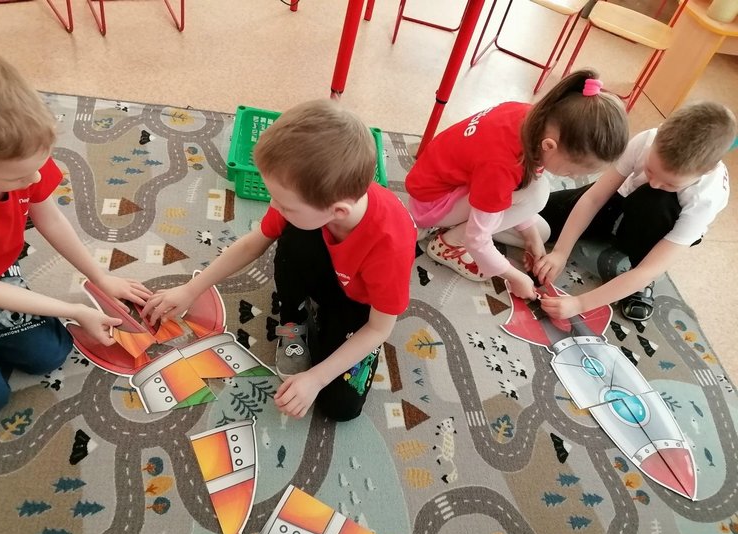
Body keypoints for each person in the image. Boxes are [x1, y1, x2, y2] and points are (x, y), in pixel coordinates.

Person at [143, 99, 416, 421]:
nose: (273, 205)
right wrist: (192, 289)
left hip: (358, 303)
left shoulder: (389, 245)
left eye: (285, 204)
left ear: (338, 211)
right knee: (294, 232)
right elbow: (252, 244)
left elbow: (379, 328)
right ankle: (292, 317)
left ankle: (327, 332)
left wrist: (316, 378)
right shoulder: (309, 197)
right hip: (325, 261)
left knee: (341, 407)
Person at [0, 48, 151, 421]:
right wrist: (75, 310)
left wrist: (100, 277)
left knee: (48, 353)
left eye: (38, 166)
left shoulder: (20, 152)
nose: (35, 179)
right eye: (17, 177)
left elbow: (49, 218)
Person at [405, 70, 629, 300]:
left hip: (454, 187)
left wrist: (531, 237)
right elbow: (477, 238)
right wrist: (515, 277)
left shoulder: (535, 119)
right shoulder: (503, 165)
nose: (572, 178)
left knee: (541, 233)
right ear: (549, 146)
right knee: (537, 193)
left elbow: (510, 189)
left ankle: (460, 231)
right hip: (431, 205)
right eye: (572, 171)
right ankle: (448, 244)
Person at [534, 101, 737, 321]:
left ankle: (636, 267)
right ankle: (615, 227)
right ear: (659, 133)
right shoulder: (647, 139)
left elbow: (651, 269)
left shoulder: (704, 198)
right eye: (650, 170)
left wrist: (580, 303)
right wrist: (561, 252)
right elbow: (594, 198)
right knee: (541, 214)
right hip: (625, 196)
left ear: (707, 171)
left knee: (655, 199)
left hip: (659, 219)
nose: (655, 182)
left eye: (670, 183)